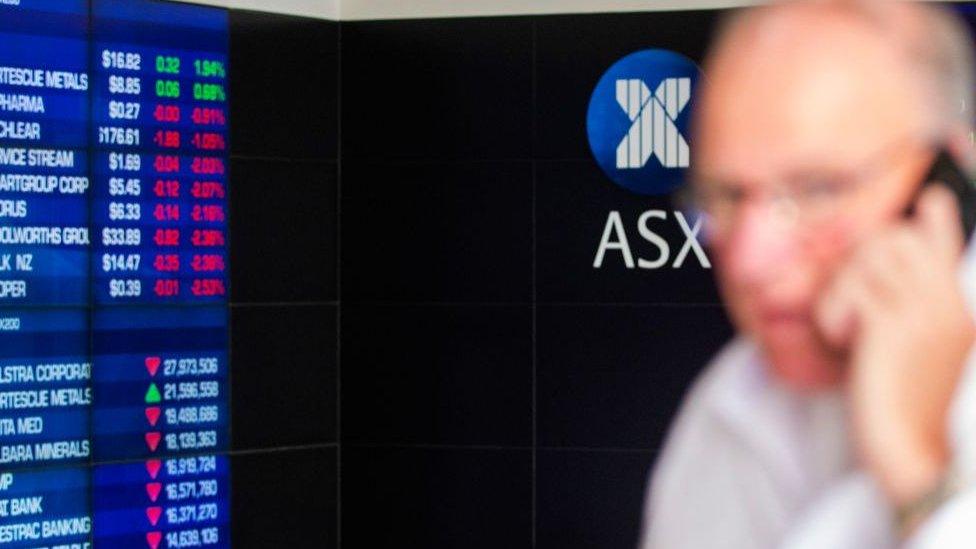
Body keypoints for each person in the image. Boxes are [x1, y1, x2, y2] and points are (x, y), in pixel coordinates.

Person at [639, 1, 976, 547]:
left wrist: (920, 474)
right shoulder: (730, 407)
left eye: (817, 189)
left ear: (945, 180)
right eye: (724, 195)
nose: (749, 259)